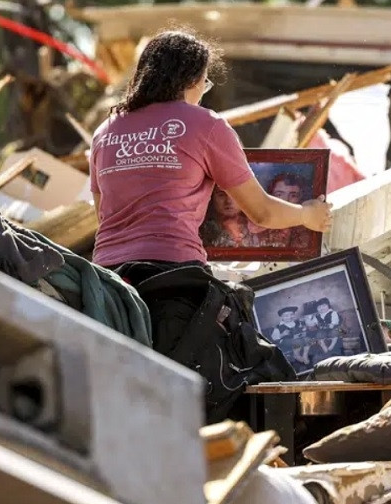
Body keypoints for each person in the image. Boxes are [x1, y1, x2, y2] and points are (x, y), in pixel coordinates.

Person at [89, 28, 332, 275]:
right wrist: (308, 214)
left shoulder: (104, 131)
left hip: (107, 279)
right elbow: (262, 212)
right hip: (171, 274)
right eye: (205, 83)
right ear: (193, 80)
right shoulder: (206, 125)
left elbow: (103, 216)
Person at [249, 173, 316, 249]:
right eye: (279, 194)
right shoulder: (257, 222)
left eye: (293, 195)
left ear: (300, 199)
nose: (285, 200)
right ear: (270, 196)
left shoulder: (307, 229)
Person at [270, 305, 312, 371]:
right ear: (281, 317)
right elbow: (275, 339)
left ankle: (305, 354)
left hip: (298, 339)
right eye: (286, 316)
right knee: (298, 341)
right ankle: (296, 355)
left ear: (294, 315)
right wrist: (282, 334)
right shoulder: (278, 327)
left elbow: (301, 332)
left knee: (309, 339)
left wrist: (303, 329)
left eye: (291, 314)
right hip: (285, 341)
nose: (289, 317)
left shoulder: (297, 323)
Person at [311, 297, 342, 361]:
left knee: (335, 333)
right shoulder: (317, 315)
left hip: (333, 328)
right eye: (319, 307)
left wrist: (332, 324)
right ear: (317, 309)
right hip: (323, 329)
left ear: (328, 305)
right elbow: (313, 323)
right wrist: (312, 320)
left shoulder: (333, 313)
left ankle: (331, 346)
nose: (321, 308)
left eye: (324, 306)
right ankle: (325, 348)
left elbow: (335, 321)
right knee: (319, 335)